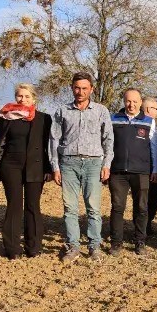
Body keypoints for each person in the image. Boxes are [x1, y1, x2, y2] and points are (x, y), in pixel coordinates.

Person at [49, 72, 113, 262]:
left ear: (91, 89)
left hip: (93, 163)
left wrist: (106, 164)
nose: (80, 91)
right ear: (72, 88)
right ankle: (73, 246)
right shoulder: (62, 111)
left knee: (93, 208)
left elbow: (108, 139)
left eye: (84, 88)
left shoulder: (101, 111)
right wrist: (55, 167)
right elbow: (54, 140)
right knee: (70, 208)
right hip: (68, 163)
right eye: (77, 87)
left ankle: (94, 246)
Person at [0, 83, 52, 259]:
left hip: (36, 167)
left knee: (33, 206)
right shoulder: (6, 117)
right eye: (19, 96)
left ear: (34, 99)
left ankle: (34, 248)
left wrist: (49, 168)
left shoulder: (44, 119)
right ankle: (12, 249)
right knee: (14, 206)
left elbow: (48, 147)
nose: (22, 100)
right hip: (11, 166)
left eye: (26, 96)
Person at [108, 88, 155, 256]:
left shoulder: (149, 122)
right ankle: (116, 243)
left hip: (141, 172)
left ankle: (140, 242)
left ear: (141, 103)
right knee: (117, 207)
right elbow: (106, 144)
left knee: (141, 208)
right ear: (124, 101)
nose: (131, 104)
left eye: (135, 101)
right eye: (128, 101)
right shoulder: (112, 119)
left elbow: (154, 148)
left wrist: (154, 169)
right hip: (117, 172)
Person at [143, 98, 157, 236]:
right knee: (144, 198)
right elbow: (153, 147)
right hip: (144, 166)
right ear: (147, 109)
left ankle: (147, 223)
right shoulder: (143, 123)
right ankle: (143, 227)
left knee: (155, 197)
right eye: (155, 109)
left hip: (152, 166)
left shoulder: (153, 124)